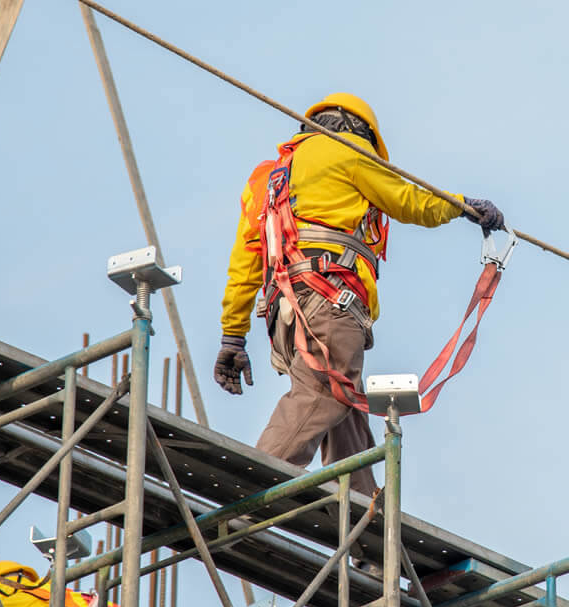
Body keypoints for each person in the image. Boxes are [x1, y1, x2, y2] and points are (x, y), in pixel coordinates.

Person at [214, 93, 503, 495]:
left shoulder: (269, 177)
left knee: (344, 406)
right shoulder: (349, 151)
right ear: (358, 130)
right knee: (320, 397)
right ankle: (248, 489)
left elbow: (245, 262)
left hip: (287, 310)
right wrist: (461, 206)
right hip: (329, 303)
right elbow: (406, 201)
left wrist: (233, 335)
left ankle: (365, 525)